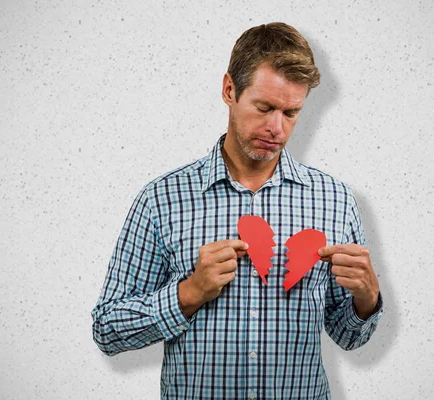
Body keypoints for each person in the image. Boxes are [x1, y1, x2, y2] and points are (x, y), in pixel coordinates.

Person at [92, 22, 383, 400]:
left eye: (291, 113)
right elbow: (108, 330)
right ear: (230, 90)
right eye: (264, 107)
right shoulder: (162, 199)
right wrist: (189, 293)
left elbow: (347, 335)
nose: (276, 128)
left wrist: (367, 298)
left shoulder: (336, 200)